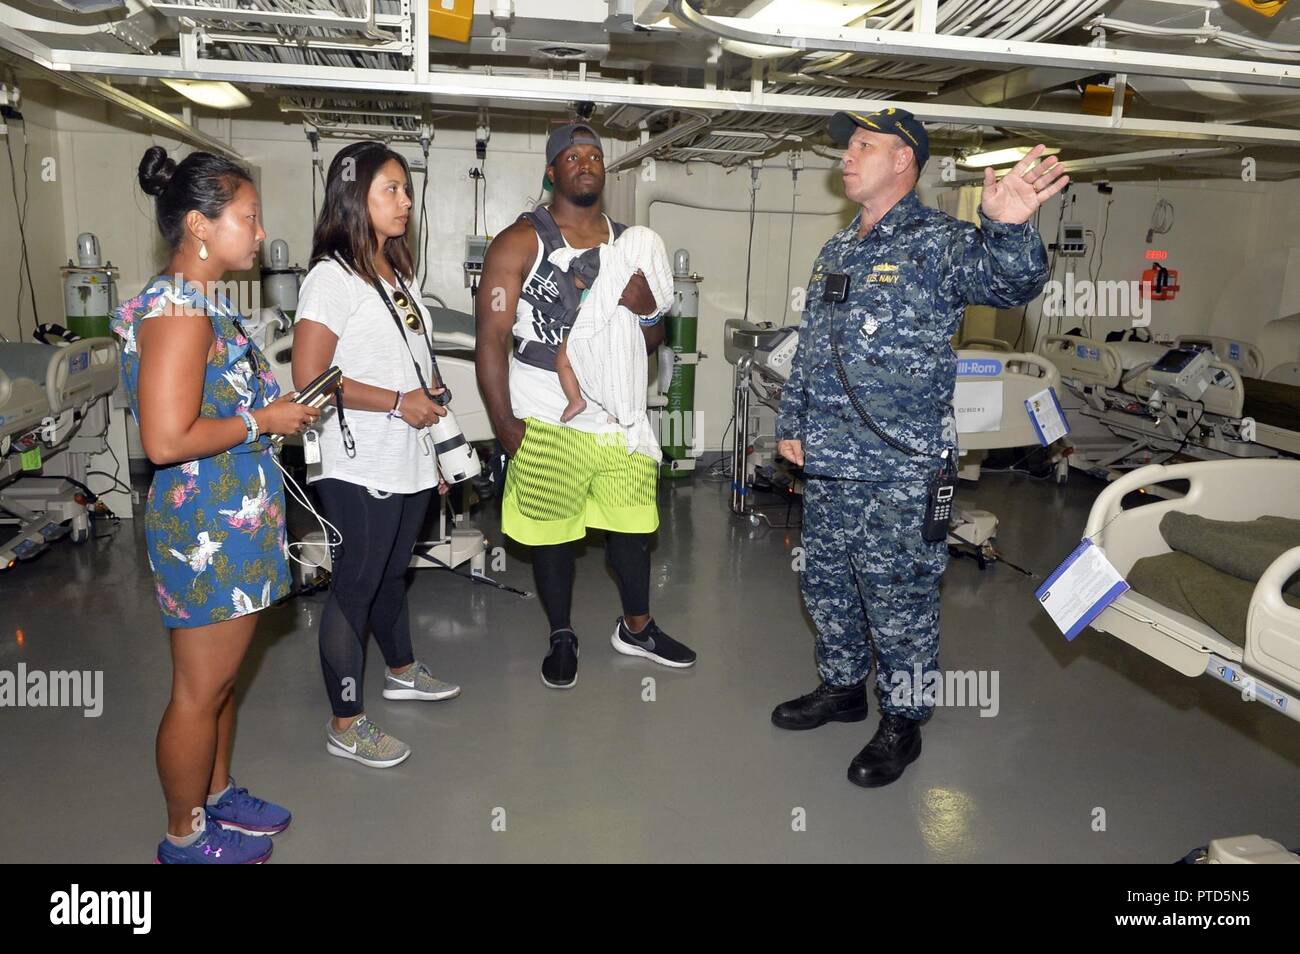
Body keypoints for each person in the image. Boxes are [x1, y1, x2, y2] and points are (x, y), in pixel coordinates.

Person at [771, 109, 1065, 787]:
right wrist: (794, 419)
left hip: (901, 468)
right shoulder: (839, 249)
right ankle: (842, 687)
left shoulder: (940, 242)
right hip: (831, 461)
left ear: (905, 160)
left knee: (899, 598)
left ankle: (902, 722)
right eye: (848, 144)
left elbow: (1010, 283)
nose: (847, 155)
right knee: (828, 584)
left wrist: (1012, 226)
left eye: (864, 145)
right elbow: (814, 344)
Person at [113, 146, 320, 863]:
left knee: (224, 681)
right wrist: (266, 422)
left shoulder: (199, 304)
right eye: (248, 218)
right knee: (198, 692)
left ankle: (218, 791)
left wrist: (272, 406)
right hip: (206, 526)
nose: (260, 234)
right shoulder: (178, 312)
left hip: (236, 518)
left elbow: (209, 406)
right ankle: (184, 835)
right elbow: (167, 438)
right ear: (200, 225)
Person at [476, 122, 697, 689]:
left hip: (617, 417)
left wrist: (649, 311)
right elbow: (491, 339)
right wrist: (503, 425)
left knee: (631, 527)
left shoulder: (630, 246)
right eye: (572, 156)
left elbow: (648, 340)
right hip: (547, 411)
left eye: (595, 155)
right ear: (552, 171)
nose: (586, 163)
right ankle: (561, 634)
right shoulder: (519, 242)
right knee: (553, 534)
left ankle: (637, 626)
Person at [293, 140, 460, 770]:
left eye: (407, 189)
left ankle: (401, 670)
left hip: (409, 455)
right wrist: (397, 402)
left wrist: (437, 450)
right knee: (356, 586)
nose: (405, 200)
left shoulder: (396, 273)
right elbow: (311, 377)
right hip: (357, 462)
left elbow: (415, 367)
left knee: (393, 574)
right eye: (390, 188)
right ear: (352, 196)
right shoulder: (330, 278)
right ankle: (346, 721)